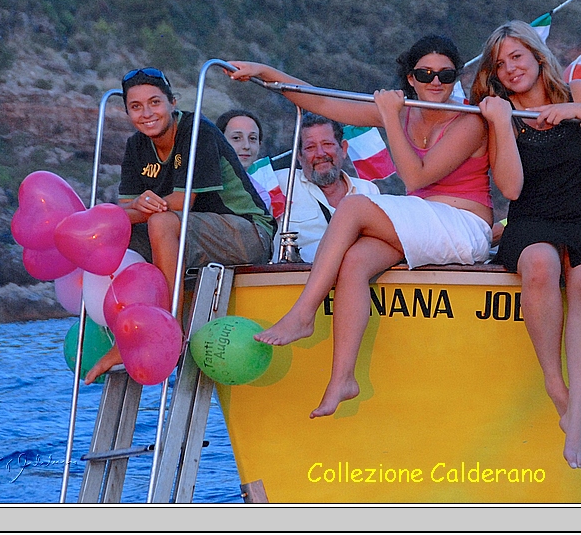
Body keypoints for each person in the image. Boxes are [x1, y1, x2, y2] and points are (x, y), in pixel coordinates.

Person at [228, 35, 492, 418]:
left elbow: (415, 178)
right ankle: (343, 378)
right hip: (421, 222)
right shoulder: (403, 110)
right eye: (426, 74)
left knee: (352, 207)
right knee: (354, 261)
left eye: (446, 75)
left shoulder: (469, 120)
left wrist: (388, 117)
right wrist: (265, 72)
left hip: (463, 226)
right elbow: (320, 101)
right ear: (411, 78)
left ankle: (303, 313)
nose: (436, 82)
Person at [472, 21, 581, 470]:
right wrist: (499, 123)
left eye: (517, 56)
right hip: (533, 217)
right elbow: (511, 188)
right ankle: (556, 386)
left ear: (536, 54)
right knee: (538, 265)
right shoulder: (503, 112)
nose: (511, 68)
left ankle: (575, 418)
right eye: (501, 64)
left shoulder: (574, 90)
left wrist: (575, 112)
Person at [85, 68, 275, 384]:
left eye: (155, 102)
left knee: (160, 222)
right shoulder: (136, 146)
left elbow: (182, 203)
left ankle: (168, 324)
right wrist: (129, 210)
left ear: (173, 102)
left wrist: (138, 208)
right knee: (114, 234)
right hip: (189, 234)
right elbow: (123, 212)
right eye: (136, 106)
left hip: (249, 231)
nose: (146, 113)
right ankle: (126, 334)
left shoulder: (196, 131)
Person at [274, 112, 380, 263]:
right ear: (299, 156)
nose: (320, 153)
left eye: (327, 144)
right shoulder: (282, 184)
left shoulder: (369, 191)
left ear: (343, 149)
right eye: (310, 147)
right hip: (296, 281)